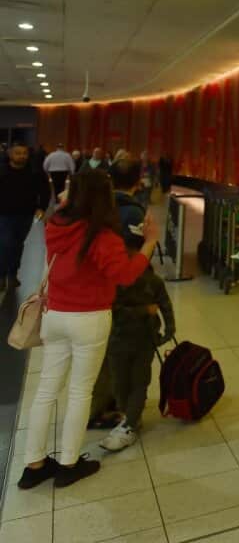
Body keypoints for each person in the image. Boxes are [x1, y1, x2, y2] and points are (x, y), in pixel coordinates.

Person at [18, 170, 158, 490]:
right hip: (89, 318)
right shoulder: (102, 235)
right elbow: (124, 275)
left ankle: (34, 465)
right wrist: (149, 243)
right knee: (80, 391)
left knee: (46, 391)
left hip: (55, 316)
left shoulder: (56, 225)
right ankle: (68, 463)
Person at [99, 159, 176, 452]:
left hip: (108, 299)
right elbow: (137, 264)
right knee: (135, 369)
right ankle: (127, 415)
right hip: (134, 303)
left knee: (116, 362)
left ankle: (115, 409)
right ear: (137, 180)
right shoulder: (133, 212)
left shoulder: (101, 210)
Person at [0, 141, 50, 293]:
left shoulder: (35, 172)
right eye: (18, 153)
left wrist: (42, 207)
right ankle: (2, 275)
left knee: (17, 244)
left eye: (24, 153)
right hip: (3, 215)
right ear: (10, 154)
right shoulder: (2, 171)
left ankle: (12, 274)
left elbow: (45, 190)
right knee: (5, 244)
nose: (21, 156)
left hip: (26, 215)